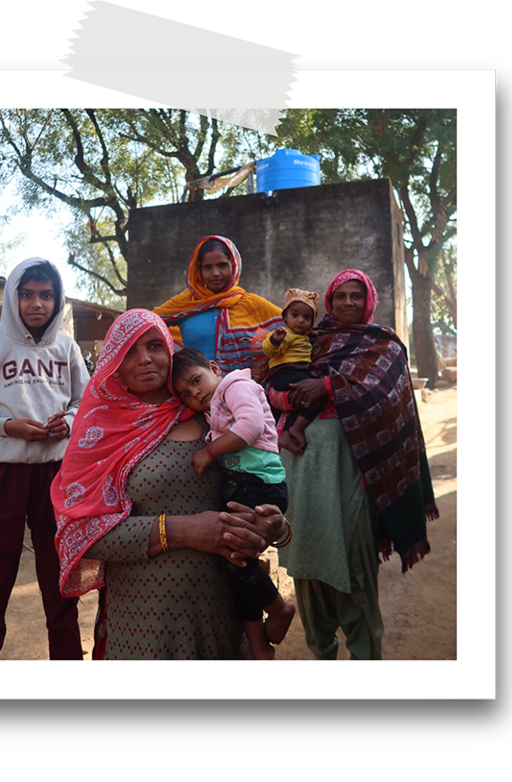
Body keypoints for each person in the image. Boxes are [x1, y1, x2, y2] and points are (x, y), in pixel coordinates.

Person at [51, 309, 289, 660]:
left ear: (170, 350)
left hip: (224, 615)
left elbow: (261, 480)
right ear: (112, 362)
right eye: (129, 351)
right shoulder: (98, 433)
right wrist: (183, 531)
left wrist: (277, 527)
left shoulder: (211, 413)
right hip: (145, 623)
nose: (144, 359)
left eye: (153, 346)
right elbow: (82, 533)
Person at [271, 269, 439, 660]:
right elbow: (271, 382)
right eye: (341, 295)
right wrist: (288, 398)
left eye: (356, 296)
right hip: (300, 469)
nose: (348, 302)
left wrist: (328, 386)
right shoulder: (310, 338)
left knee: (352, 561)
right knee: (306, 556)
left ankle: (365, 662)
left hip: (351, 471)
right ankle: (322, 651)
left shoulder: (384, 346)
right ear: (329, 300)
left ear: (369, 302)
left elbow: (384, 396)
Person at [0, 257, 89, 660]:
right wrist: (5, 427)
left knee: (59, 568)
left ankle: (66, 661)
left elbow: (86, 401)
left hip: (56, 473)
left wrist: (70, 421)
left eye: (47, 295)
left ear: (58, 299)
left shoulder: (66, 348)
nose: (36, 303)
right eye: (26, 294)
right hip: (2, 472)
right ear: (13, 295)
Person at [170, 348, 296, 660]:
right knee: (237, 563)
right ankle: (257, 643)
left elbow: (251, 425)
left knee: (235, 560)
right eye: (185, 394)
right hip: (242, 485)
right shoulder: (213, 406)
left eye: (196, 380)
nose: (195, 393)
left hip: (259, 484)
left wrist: (209, 452)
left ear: (215, 367)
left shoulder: (235, 387)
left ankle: (279, 609)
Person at [153, 235, 282, 382]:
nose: (215, 273)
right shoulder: (185, 303)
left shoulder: (252, 304)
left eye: (222, 265)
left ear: (234, 265)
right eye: (208, 267)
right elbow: (148, 325)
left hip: (246, 394)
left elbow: (293, 327)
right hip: (197, 396)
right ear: (198, 270)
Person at [262, 288, 321, 454]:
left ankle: (287, 433)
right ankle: (296, 429)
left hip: (297, 373)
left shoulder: (304, 337)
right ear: (285, 317)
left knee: (303, 402)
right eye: (295, 315)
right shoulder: (284, 334)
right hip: (286, 374)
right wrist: (275, 340)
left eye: (307, 318)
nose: (300, 321)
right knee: (314, 398)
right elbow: (269, 351)